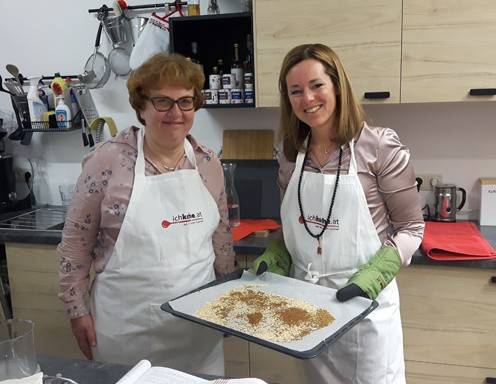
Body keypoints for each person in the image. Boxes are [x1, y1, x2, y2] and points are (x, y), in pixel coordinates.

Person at [253, 44, 424, 383]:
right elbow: (294, 227)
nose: (307, 99)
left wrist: (374, 276)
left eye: (317, 85)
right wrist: (276, 253)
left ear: (337, 86)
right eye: (296, 91)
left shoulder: (379, 147)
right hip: (307, 306)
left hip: (364, 308)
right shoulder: (289, 155)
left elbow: (411, 227)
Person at [57, 53, 235, 376]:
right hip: (126, 333)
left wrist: (227, 298)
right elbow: (75, 244)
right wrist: (76, 309)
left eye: (186, 101)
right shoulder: (108, 162)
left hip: (198, 333)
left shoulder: (208, 163)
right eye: (163, 102)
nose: (176, 113)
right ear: (141, 107)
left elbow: (221, 240)